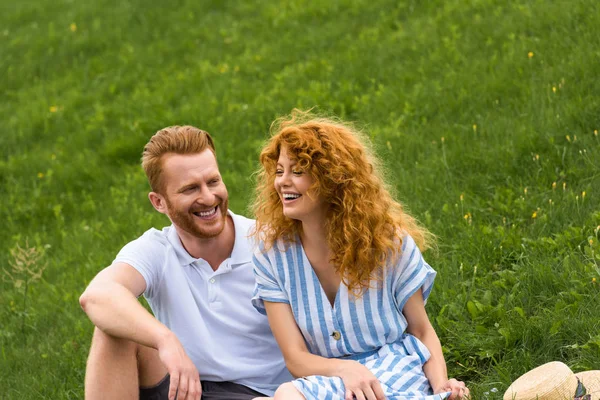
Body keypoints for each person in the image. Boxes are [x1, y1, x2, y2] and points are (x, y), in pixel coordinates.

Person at [250, 111, 470, 400]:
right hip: (329, 379)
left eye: (298, 171)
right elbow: (295, 358)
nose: (283, 182)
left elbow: (421, 330)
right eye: (280, 171)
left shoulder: (389, 242)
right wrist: (345, 370)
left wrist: (441, 384)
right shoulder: (271, 253)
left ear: (332, 179)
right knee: (285, 395)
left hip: (395, 370)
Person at [79, 125, 291, 400]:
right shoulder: (156, 249)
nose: (207, 197)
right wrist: (165, 340)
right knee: (113, 329)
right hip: (184, 388)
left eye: (213, 182)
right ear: (159, 202)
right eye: (190, 189)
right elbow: (97, 296)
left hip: (258, 394)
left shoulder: (268, 243)